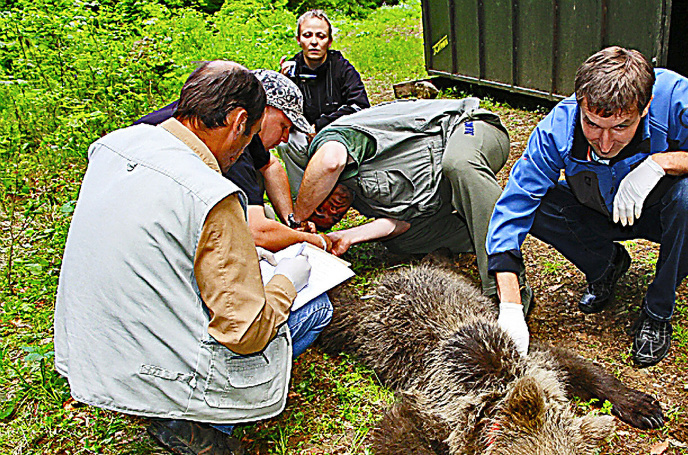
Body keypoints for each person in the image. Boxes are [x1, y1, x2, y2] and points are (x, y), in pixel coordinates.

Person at [54, 61, 333, 455]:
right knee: (316, 308)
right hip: (158, 367)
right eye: (251, 137)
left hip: (90, 349)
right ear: (239, 122)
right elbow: (245, 332)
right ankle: (206, 418)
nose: (246, 153)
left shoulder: (116, 144)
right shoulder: (212, 195)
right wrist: (286, 282)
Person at [487, 46, 688, 366]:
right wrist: (511, 308)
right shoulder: (558, 126)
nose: (604, 143)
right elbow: (513, 207)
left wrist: (664, 163)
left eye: (620, 127)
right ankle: (606, 265)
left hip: (662, 211)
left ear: (644, 110)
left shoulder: (679, 100)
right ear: (581, 105)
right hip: (598, 208)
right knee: (538, 206)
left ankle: (657, 310)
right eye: (592, 125)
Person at [289, 97, 529, 303]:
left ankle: (507, 288)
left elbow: (330, 162)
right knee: (403, 241)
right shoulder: (359, 196)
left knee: (459, 163)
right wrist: (346, 236)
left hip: (469, 128)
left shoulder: (335, 139)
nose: (331, 210)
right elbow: (399, 224)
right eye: (333, 217)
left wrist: (299, 217)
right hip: (441, 191)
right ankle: (494, 228)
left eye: (320, 207)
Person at [134, 70, 330, 253]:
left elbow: (270, 165)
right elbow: (256, 232)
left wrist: (292, 222)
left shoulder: (210, 112)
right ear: (264, 110)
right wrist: (316, 242)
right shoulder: (230, 142)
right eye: (284, 126)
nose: (286, 138)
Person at [277, 9, 370, 198]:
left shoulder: (342, 68)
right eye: (307, 35)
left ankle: (334, 193)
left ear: (329, 41)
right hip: (304, 136)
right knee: (285, 142)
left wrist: (320, 126)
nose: (313, 42)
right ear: (298, 39)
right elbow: (279, 114)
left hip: (338, 134)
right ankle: (301, 199)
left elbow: (360, 105)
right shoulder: (291, 70)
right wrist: (282, 82)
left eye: (320, 36)